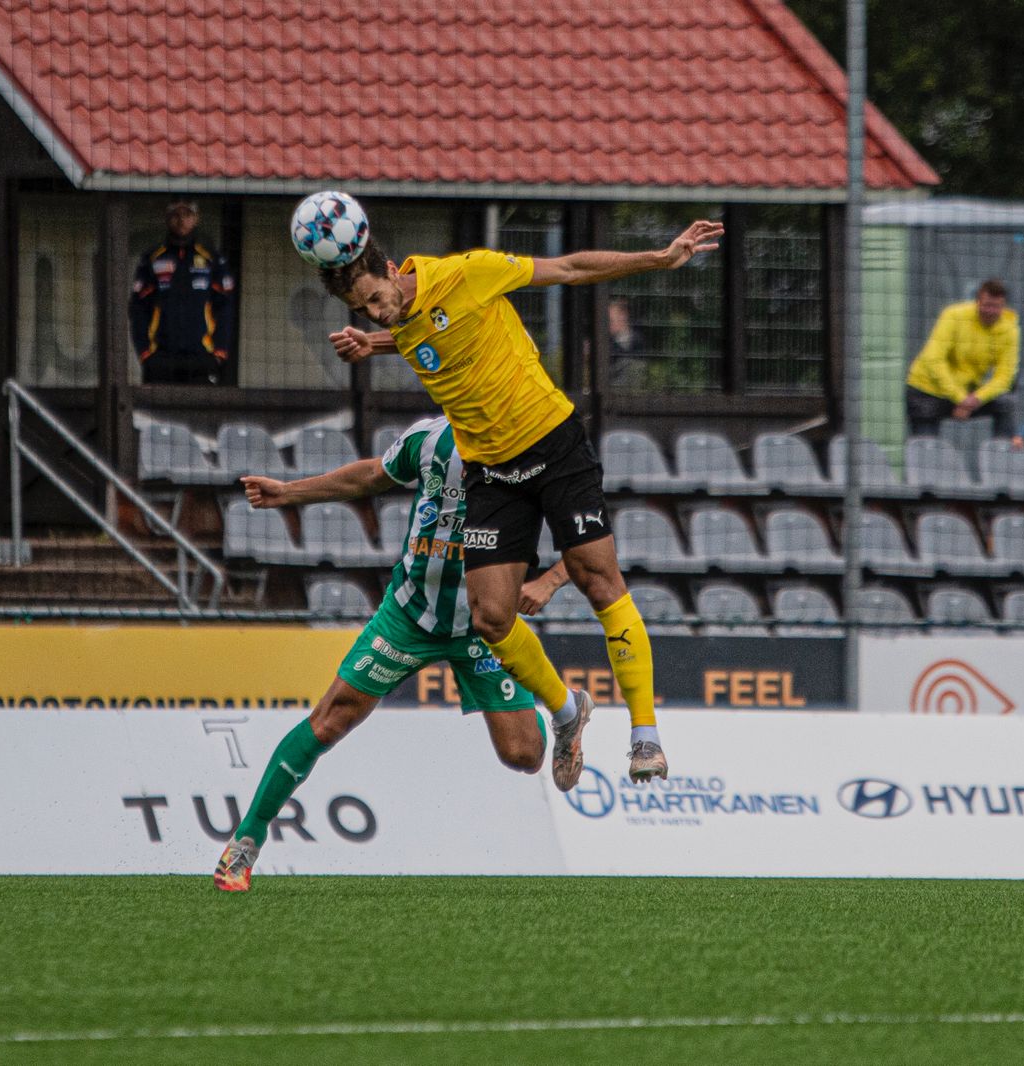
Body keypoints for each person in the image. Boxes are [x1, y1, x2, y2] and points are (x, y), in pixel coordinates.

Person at [320, 220, 724, 784]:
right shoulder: (401, 319)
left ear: (393, 271)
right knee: (490, 617)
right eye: (362, 311)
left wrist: (659, 258)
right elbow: (421, 331)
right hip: (491, 470)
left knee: (598, 579)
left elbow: (571, 268)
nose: (376, 313)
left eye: (374, 300)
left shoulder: (468, 273)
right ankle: (567, 711)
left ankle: (645, 736)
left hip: (552, 443)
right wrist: (374, 342)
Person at [214, 415, 572, 890]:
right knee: (330, 719)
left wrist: (548, 582)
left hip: (485, 624)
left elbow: (591, 533)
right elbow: (368, 475)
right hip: (410, 615)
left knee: (524, 754)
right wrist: (289, 493)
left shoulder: (533, 446)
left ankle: (567, 712)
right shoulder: (429, 438)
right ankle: (245, 844)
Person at [128, 201, 236, 385]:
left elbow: (225, 307)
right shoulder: (152, 258)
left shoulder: (212, 259)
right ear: (168, 218)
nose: (181, 221)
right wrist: (145, 353)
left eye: (187, 215)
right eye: (176, 215)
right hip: (161, 357)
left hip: (202, 357)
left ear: (196, 218)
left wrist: (219, 352)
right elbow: (138, 308)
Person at [904, 278, 1019, 438]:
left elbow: (1004, 377)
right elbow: (933, 360)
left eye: (996, 306)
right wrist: (959, 398)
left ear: (1003, 306)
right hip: (927, 391)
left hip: (967, 397)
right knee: (926, 450)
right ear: (977, 301)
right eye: (986, 305)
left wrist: (976, 399)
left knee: (1004, 403)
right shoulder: (953, 315)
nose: (990, 311)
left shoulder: (1009, 330)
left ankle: (1001, 457)